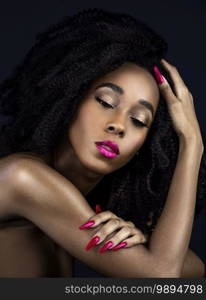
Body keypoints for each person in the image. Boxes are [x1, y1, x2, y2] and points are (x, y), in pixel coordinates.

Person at [0, 8, 205, 278]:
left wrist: (142, 238)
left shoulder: (91, 205)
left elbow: (194, 270)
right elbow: (161, 280)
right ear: (70, 99)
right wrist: (192, 143)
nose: (118, 125)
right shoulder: (23, 177)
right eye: (106, 102)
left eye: (139, 120)